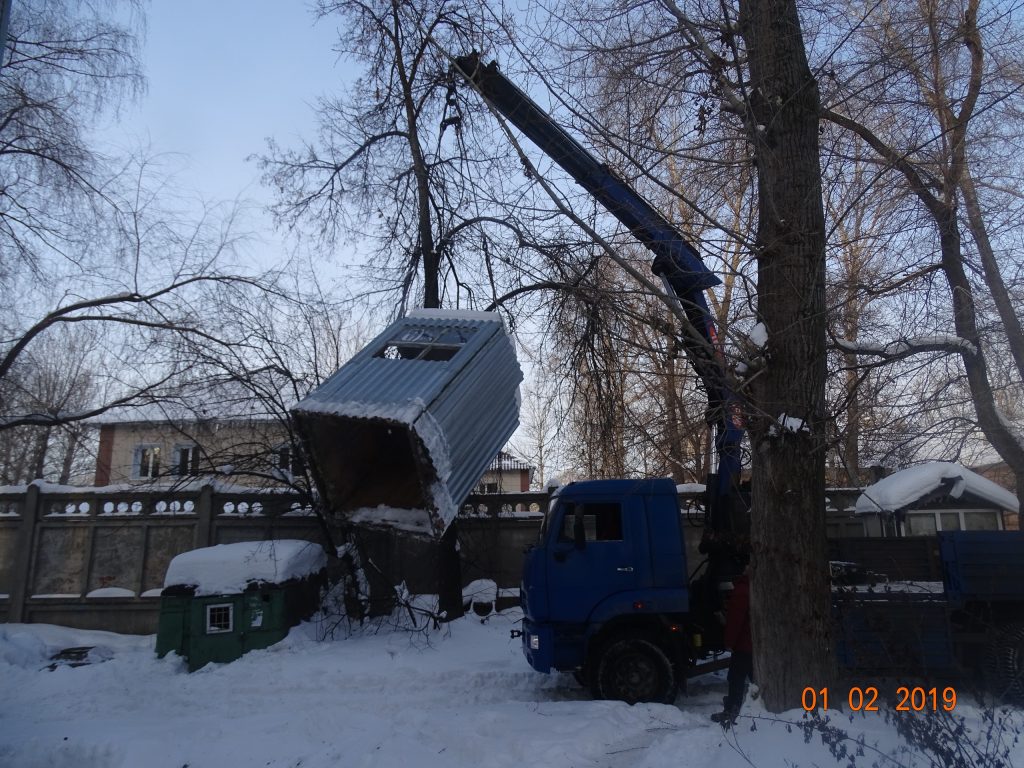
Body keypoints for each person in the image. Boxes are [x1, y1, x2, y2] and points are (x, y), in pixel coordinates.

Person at [711, 561, 753, 727]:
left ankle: (731, 710)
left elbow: (735, 620)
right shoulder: (755, 588)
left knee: (736, 678)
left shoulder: (742, 590)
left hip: (744, 645)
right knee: (755, 679)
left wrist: (729, 641)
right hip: (754, 644)